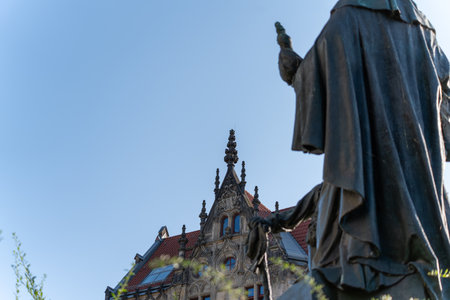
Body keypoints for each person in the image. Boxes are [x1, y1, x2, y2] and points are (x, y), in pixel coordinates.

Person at [258, 0, 450, 299]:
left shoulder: (348, 18)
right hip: (424, 191)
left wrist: (292, 66)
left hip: (367, 173)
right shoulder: (427, 32)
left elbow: (313, 75)